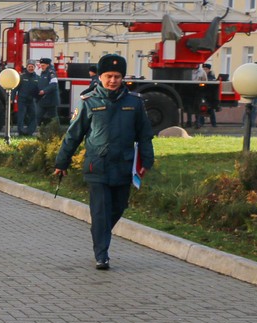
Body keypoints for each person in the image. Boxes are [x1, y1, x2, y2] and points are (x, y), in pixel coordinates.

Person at [53, 53, 154, 270]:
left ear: (122, 78)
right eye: (108, 76)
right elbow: (73, 135)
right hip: (97, 165)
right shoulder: (88, 101)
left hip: (124, 166)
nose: (113, 80)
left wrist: (147, 160)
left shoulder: (134, 102)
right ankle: (102, 255)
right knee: (100, 212)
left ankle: (100, 232)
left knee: (119, 207)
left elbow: (144, 134)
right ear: (100, 77)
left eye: (117, 76)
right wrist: (62, 162)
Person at [36, 58, 60, 127]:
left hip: (51, 100)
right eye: (41, 65)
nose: (42, 67)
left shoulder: (51, 73)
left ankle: (57, 130)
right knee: (37, 115)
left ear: (48, 65)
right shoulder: (43, 73)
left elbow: (54, 85)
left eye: (43, 65)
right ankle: (34, 130)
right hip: (43, 99)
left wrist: (44, 91)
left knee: (53, 117)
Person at [16, 63, 39, 135]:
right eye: (29, 67)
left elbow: (40, 89)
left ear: (34, 67)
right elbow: (15, 88)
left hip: (32, 100)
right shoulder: (21, 77)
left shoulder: (37, 78)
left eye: (32, 67)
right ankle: (21, 132)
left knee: (33, 116)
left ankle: (30, 132)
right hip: (22, 100)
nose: (30, 68)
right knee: (21, 116)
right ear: (26, 67)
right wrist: (12, 98)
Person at [196, 62, 219, 128]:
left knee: (211, 109)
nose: (204, 70)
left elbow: (213, 83)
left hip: (209, 96)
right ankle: (201, 123)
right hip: (202, 95)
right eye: (203, 69)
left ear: (209, 70)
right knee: (201, 109)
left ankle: (213, 123)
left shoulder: (211, 77)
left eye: (206, 69)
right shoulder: (200, 75)